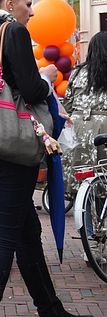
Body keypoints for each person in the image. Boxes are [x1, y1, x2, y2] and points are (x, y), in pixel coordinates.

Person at [0, 0, 95, 317]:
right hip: (12, 150)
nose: (32, 11)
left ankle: (51, 314)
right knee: (4, 238)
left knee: (26, 235)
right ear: (9, 3)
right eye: (27, 3)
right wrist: (47, 77)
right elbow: (32, 90)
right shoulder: (13, 32)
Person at [62, 31, 107, 196]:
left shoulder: (78, 72)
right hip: (103, 128)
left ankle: (83, 216)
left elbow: (67, 103)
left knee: (81, 175)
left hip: (78, 127)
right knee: (103, 173)